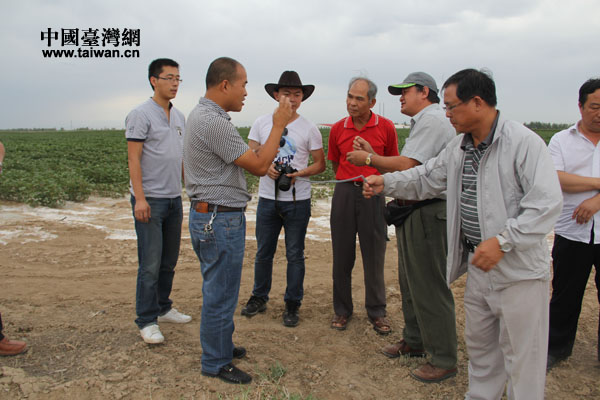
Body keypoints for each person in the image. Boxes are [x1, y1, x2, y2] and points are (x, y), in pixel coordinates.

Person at [363, 69, 562, 399]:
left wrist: (503, 242)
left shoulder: (523, 143)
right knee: (482, 352)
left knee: (522, 359)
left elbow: (545, 204)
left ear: (478, 103)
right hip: (478, 264)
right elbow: (427, 177)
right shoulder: (459, 147)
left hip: (519, 272)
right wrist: (386, 182)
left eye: (452, 106)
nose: (447, 113)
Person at [184, 57, 293, 384]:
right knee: (221, 293)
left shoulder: (206, 116)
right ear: (225, 85)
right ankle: (215, 362)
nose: (247, 91)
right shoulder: (212, 121)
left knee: (223, 289)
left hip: (212, 216)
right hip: (218, 219)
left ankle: (222, 345)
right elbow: (260, 165)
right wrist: (278, 124)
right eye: (243, 84)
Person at [347, 72, 458, 382]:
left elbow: (409, 165)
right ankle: (416, 340)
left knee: (429, 285)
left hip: (428, 211)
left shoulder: (433, 120)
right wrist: (376, 156)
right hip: (414, 211)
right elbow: (412, 164)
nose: (400, 97)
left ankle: (444, 358)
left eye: (406, 91)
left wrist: (369, 158)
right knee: (411, 282)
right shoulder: (424, 121)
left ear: (425, 92)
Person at [241, 71, 325, 327]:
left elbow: (320, 164)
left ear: (302, 98)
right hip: (267, 198)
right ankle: (259, 297)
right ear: (276, 95)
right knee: (263, 252)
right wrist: (265, 167)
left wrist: (300, 173)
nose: (292, 98)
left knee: (295, 254)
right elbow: (251, 151)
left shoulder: (309, 127)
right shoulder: (261, 123)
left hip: (298, 201)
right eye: (286, 93)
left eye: (297, 94)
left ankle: (292, 303)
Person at [125, 58, 191, 345]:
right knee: (149, 264)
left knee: (168, 261)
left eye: (178, 78)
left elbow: (180, 159)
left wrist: (190, 188)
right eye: (169, 78)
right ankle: (146, 319)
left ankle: (163, 308)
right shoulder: (140, 114)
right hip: (150, 199)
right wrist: (140, 198)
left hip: (173, 198)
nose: (175, 83)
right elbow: (134, 158)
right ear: (154, 80)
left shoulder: (179, 117)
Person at [328, 77, 399, 333]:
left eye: (359, 98)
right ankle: (342, 310)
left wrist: (372, 176)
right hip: (345, 192)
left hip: (373, 193)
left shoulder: (386, 127)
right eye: (350, 97)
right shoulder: (338, 128)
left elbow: (391, 163)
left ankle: (377, 311)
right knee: (342, 255)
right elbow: (336, 163)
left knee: (374, 254)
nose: (352, 103)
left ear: (372, 102)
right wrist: (350, 182)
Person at [547, 78, 600, 369]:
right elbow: (557, 178)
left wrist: (595, 200)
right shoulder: (561, 140)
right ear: (580, 106)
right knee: (566, 292)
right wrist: (597, 183)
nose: (599, 113)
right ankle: (557, 347)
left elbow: (572, 182)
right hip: (572, 231)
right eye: (594, 106)